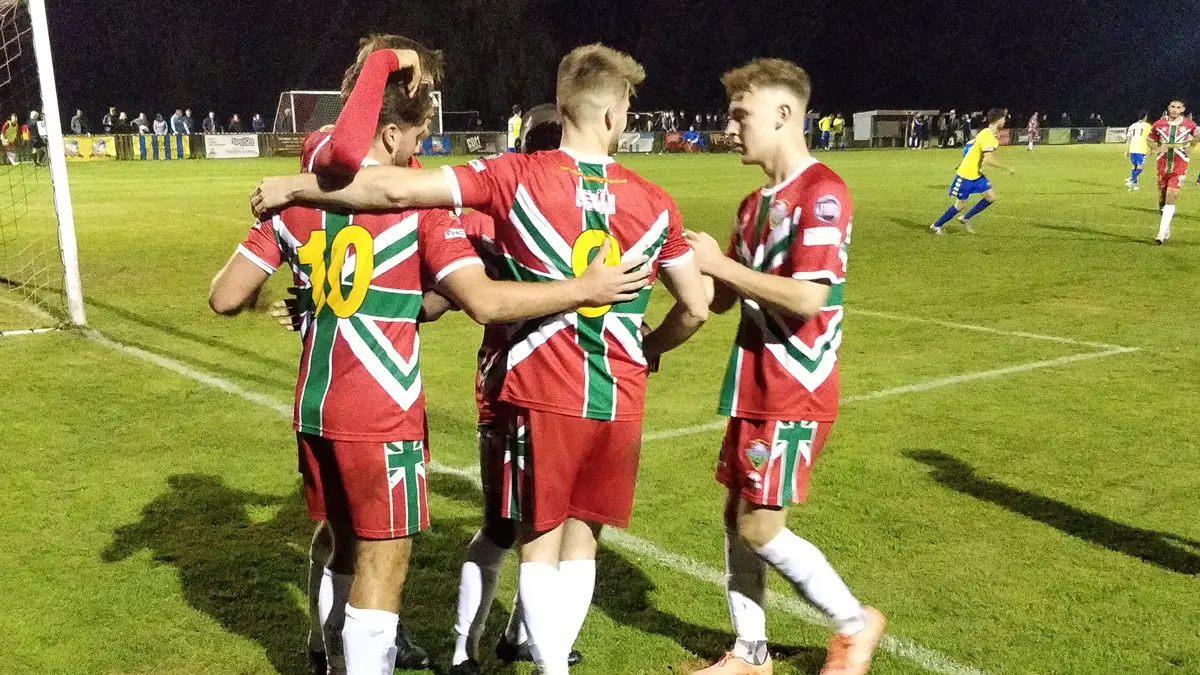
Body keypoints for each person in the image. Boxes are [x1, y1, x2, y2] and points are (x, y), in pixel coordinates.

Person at [250, 43, 711, 675]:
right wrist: (647, 348)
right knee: (583, 541)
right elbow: (697, 304)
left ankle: (483, 655)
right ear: (613, 116)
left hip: (533, 389)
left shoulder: (511, 179)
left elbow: (393, 198)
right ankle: (542, 660)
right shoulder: (657, 203)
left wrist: (298, 189)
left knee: (518, 534)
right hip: (618, 393)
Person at [684, 57, 884, 675]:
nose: (731, 127)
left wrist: (720, 266)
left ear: (785, 114)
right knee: (735, 514)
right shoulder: (753, 204)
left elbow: (806, 296)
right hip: (754, 385)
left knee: (760, 526)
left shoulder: (822, 192)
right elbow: (723, 297)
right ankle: (749, 654)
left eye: (741, 115)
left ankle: (854, 623)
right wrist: (677, 261)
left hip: (796, 384)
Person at [929, 108, 1015, 235]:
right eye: (1003, 118)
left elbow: (971, 145)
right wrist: (1007, 168)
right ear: (998, 120)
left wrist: (975, 160)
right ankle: (936, 225)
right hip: (966, 176)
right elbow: (988, 158)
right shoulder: (988, 137)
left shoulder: (986, 132)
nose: (1005, 121)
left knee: (990, 197)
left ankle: (965, 218)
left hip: (976, 175)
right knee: (960, 205)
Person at [1146, 98, 1198, 245]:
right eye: (1173, 107)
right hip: (1162, 164)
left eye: (1178, 107)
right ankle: (1166, 226)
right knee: (1162, 199)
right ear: (1168, 107)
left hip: (1180, 164)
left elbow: (1197, 135)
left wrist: (1191, 148)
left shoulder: (1188, 124)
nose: (1175, 109)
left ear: (1183, 109)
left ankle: (1161, 234)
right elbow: (1150, 139)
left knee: (1171, 194)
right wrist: (1156, 148)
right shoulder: (1159, 124)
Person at [1125, 112, 1151, 191]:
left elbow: (1128, 139)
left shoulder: (1132, 126)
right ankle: (1130, 179)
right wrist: (1152, 148)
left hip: (1133, 148)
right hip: (1141, 148)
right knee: (1141, 167)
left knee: (1135, 167)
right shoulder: (1147, 126)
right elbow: (1150, 138)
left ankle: (1135, 186)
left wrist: (1127, 150)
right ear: (1145, 117)